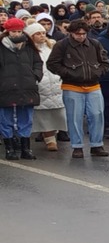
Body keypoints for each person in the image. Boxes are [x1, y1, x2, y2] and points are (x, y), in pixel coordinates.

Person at [46, 19, 109, 158]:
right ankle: (77, 146)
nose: (81, 36)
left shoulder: (95, 43)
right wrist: (68, 73)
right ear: (71, 33)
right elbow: (52, 64)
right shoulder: (62, 45)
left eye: (83, 33)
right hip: (72, 86)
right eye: (77, 34)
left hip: (93, 85)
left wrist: (98, 73)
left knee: (97, 115)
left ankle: (97, 145)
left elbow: (105, 62)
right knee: (74, 117)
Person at [0, 18, 44, 160]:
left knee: (26, 119)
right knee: (5, 119)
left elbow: (38, 62)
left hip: (27, 87)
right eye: (13, 31)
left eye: (19, 31)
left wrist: (35, 76)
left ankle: (26, 149)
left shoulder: (29, 46)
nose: (17, 34)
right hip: (5, 88)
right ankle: (9, 148)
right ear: (7, 31)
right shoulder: (1, 46)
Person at [25, 23, 66, 151]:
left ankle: (54, 135)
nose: (42, 35)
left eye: (43, 33)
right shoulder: (27, 50)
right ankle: (49, 140)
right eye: (38, 33)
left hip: (55, 84)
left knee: (57, 113)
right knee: (43, 115)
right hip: (39, 85)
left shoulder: (52, 47)